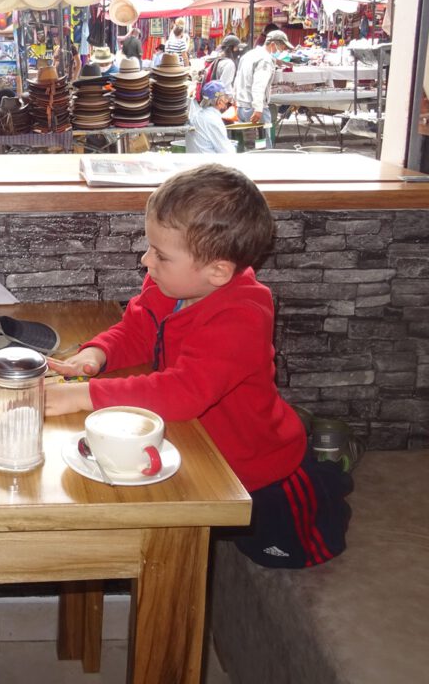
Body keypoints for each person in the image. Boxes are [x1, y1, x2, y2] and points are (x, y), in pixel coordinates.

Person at [46, 164, 352, 569]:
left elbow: (182, 392)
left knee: (291, 553)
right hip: (199, 447)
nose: (145, 260)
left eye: (160, 254)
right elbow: (136, 331)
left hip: (260, 470)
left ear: (218, 271)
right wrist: (95, 355)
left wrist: (84, 395)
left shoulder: (242, 315)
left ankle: (330, 473)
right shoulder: (169, 285)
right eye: (149, 247)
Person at [233, 29, 293, 126]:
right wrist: (258, 108)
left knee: (249, 140)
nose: (282, 51)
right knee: (262, 140)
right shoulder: (265, 60)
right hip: (254, 108)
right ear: (273, 44)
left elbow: (237, 79)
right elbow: (259, 86)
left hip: (241, 107)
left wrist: (235, 99)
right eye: (282, 47)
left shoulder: (249, 55)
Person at [186, 81, 237, 154]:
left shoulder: (195, 115)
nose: (227, 101)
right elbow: (227, 152)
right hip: (207, 164)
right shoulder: (213, 120)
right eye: (225, 98)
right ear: (220, 101)